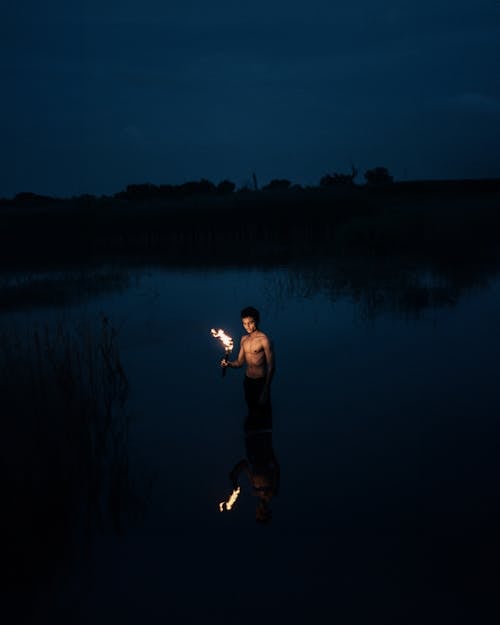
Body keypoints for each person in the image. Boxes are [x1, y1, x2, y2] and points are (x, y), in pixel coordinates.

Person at [221, 306, 274, 425]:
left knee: (264, 414)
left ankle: (266, 438)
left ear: (257, 321)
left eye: (251, 322)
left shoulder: (264, 340)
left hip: (261, 382)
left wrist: (266, 389)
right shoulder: (244, 339)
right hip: (248, 381)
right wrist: (228, 364)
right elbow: (240, 363)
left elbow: (271, 366)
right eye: (244, 323)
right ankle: (251, 437)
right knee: (251, 412)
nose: (248, 326)